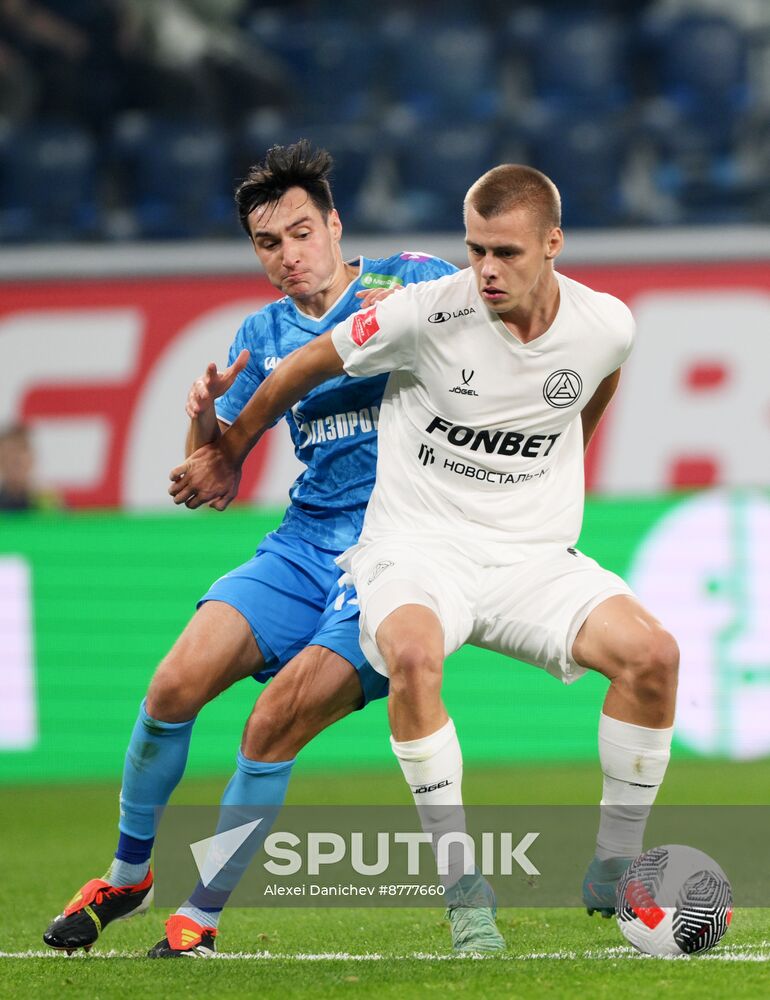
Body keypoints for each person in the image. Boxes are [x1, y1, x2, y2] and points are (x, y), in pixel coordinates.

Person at [171, 163, 680, 929]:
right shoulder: (424, 312)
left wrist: (562, 455)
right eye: (475, 249)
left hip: (530, 558)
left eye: (506, 252)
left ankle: (613, 868)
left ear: (553, 244)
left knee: (655, 656)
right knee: (409, 656)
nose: (486, 269)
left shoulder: (606, 324)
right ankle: (463, 891)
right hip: (416, 548)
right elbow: (308, 363)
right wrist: (233, 447)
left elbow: (599, 374)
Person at [43, 140, 457, 958]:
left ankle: (198, 919)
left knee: (271, 725)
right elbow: (212, 476)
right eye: (269, 243)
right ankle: (127, 878)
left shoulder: (413, 281)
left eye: (302, 233)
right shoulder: (261, 332)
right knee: (172, 686)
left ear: (335, 226)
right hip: (304, 544)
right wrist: (204, 422)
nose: (289, 255)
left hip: (400, 554)